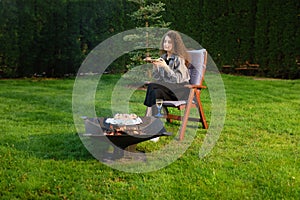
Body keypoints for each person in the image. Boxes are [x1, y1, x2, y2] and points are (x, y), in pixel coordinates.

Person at [144, 30, 191, 116]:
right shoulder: (163, 58)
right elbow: (159, 78)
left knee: (151, 86)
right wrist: (156, 67)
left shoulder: (179, 59)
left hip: (180, 91)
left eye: (169, 42)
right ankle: (153, 120)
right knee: (155, 93)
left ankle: (147, 116)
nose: (166, 44)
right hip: (168, 89)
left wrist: (166, 67)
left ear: (175, 45)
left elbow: (178, 79)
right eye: (165, 42)